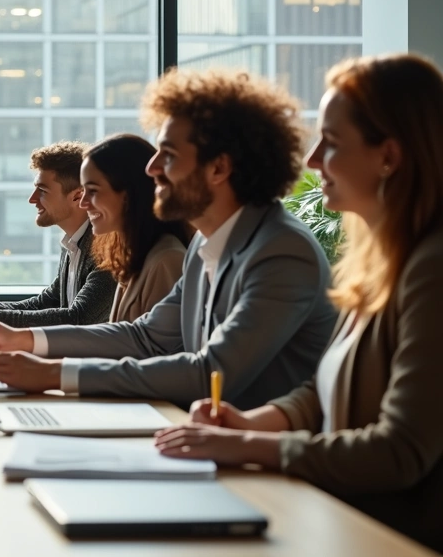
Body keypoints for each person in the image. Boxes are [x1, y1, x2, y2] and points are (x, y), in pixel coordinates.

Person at [154, 54, 443, 552]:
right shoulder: (382, 261)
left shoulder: (432, 269)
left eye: (331, 143)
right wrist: (253, 422)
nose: (312, 161)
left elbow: (399, 451)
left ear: (388, 156)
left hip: (389, 536)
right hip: (341, 518)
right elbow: (322, 389)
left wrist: (248, 446)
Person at [0, 68, 337, 410]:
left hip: (260, 464)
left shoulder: (282, 251)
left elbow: (209, 373)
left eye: (169, 154)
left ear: (218, 168)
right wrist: (22, 339)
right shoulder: (203, 244)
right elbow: (145, 336)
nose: (152, 167)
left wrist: (55, 373)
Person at [0, 141, 117, 331]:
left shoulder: (106, 250)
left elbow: (79, 317)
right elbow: (46, 303)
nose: (32, 199)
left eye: (43, 191)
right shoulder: (73, 243)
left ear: (77, 196)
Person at [79, 134, 191, 322]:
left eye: (93, 191)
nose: (83, 203)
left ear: (129, 194)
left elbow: (153, 347)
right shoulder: (134, 255)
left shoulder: (166, 260)